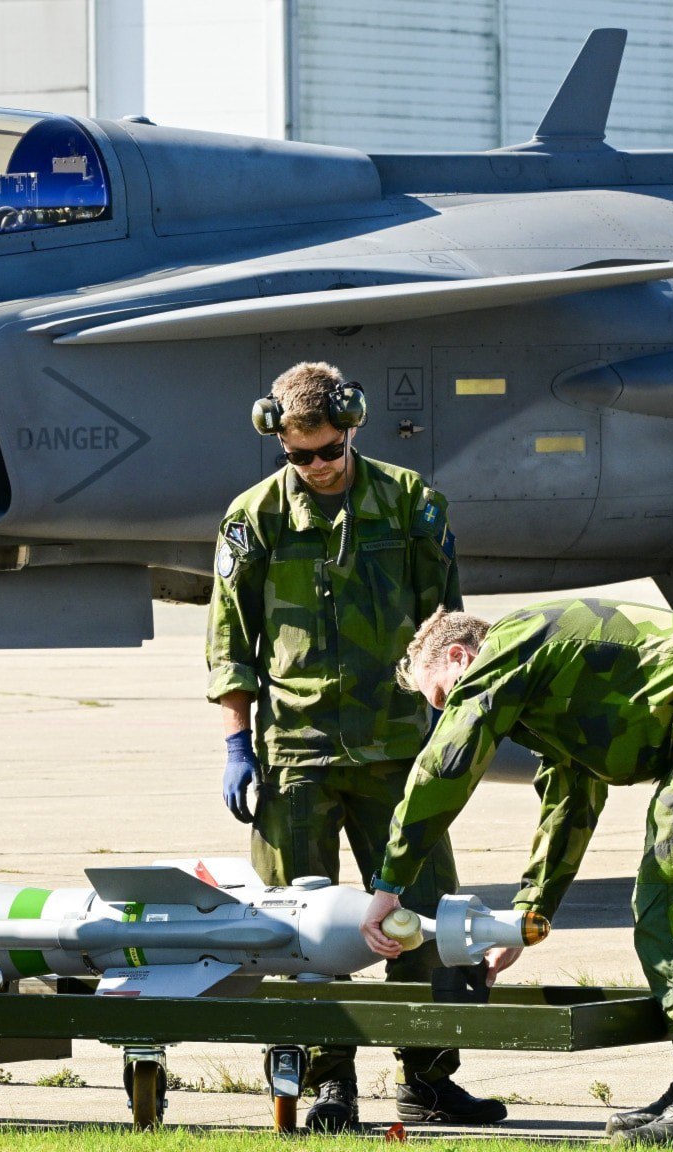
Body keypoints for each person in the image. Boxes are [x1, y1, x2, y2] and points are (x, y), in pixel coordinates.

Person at [361, 602, 673, 1147]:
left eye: (442, 696)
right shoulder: (543, 678)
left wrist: (390, 885)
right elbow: (570, 802)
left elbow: (444, 768)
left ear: (460, 657)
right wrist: (528, 915)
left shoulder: (504, 652)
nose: (449, 710)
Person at [206, 361, 505, 1132]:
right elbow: (231, 643)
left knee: (424, 918)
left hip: (398, 751)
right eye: (299, 454)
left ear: (352, 426)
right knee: (296, 929)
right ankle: (325, 1084)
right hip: (295, 755)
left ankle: (428, 1078)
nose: (316, 466)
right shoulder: (254, 518)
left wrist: (448, 729)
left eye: (328, 450)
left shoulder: (410, 505)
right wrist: (238, 744)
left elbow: (447, 626)